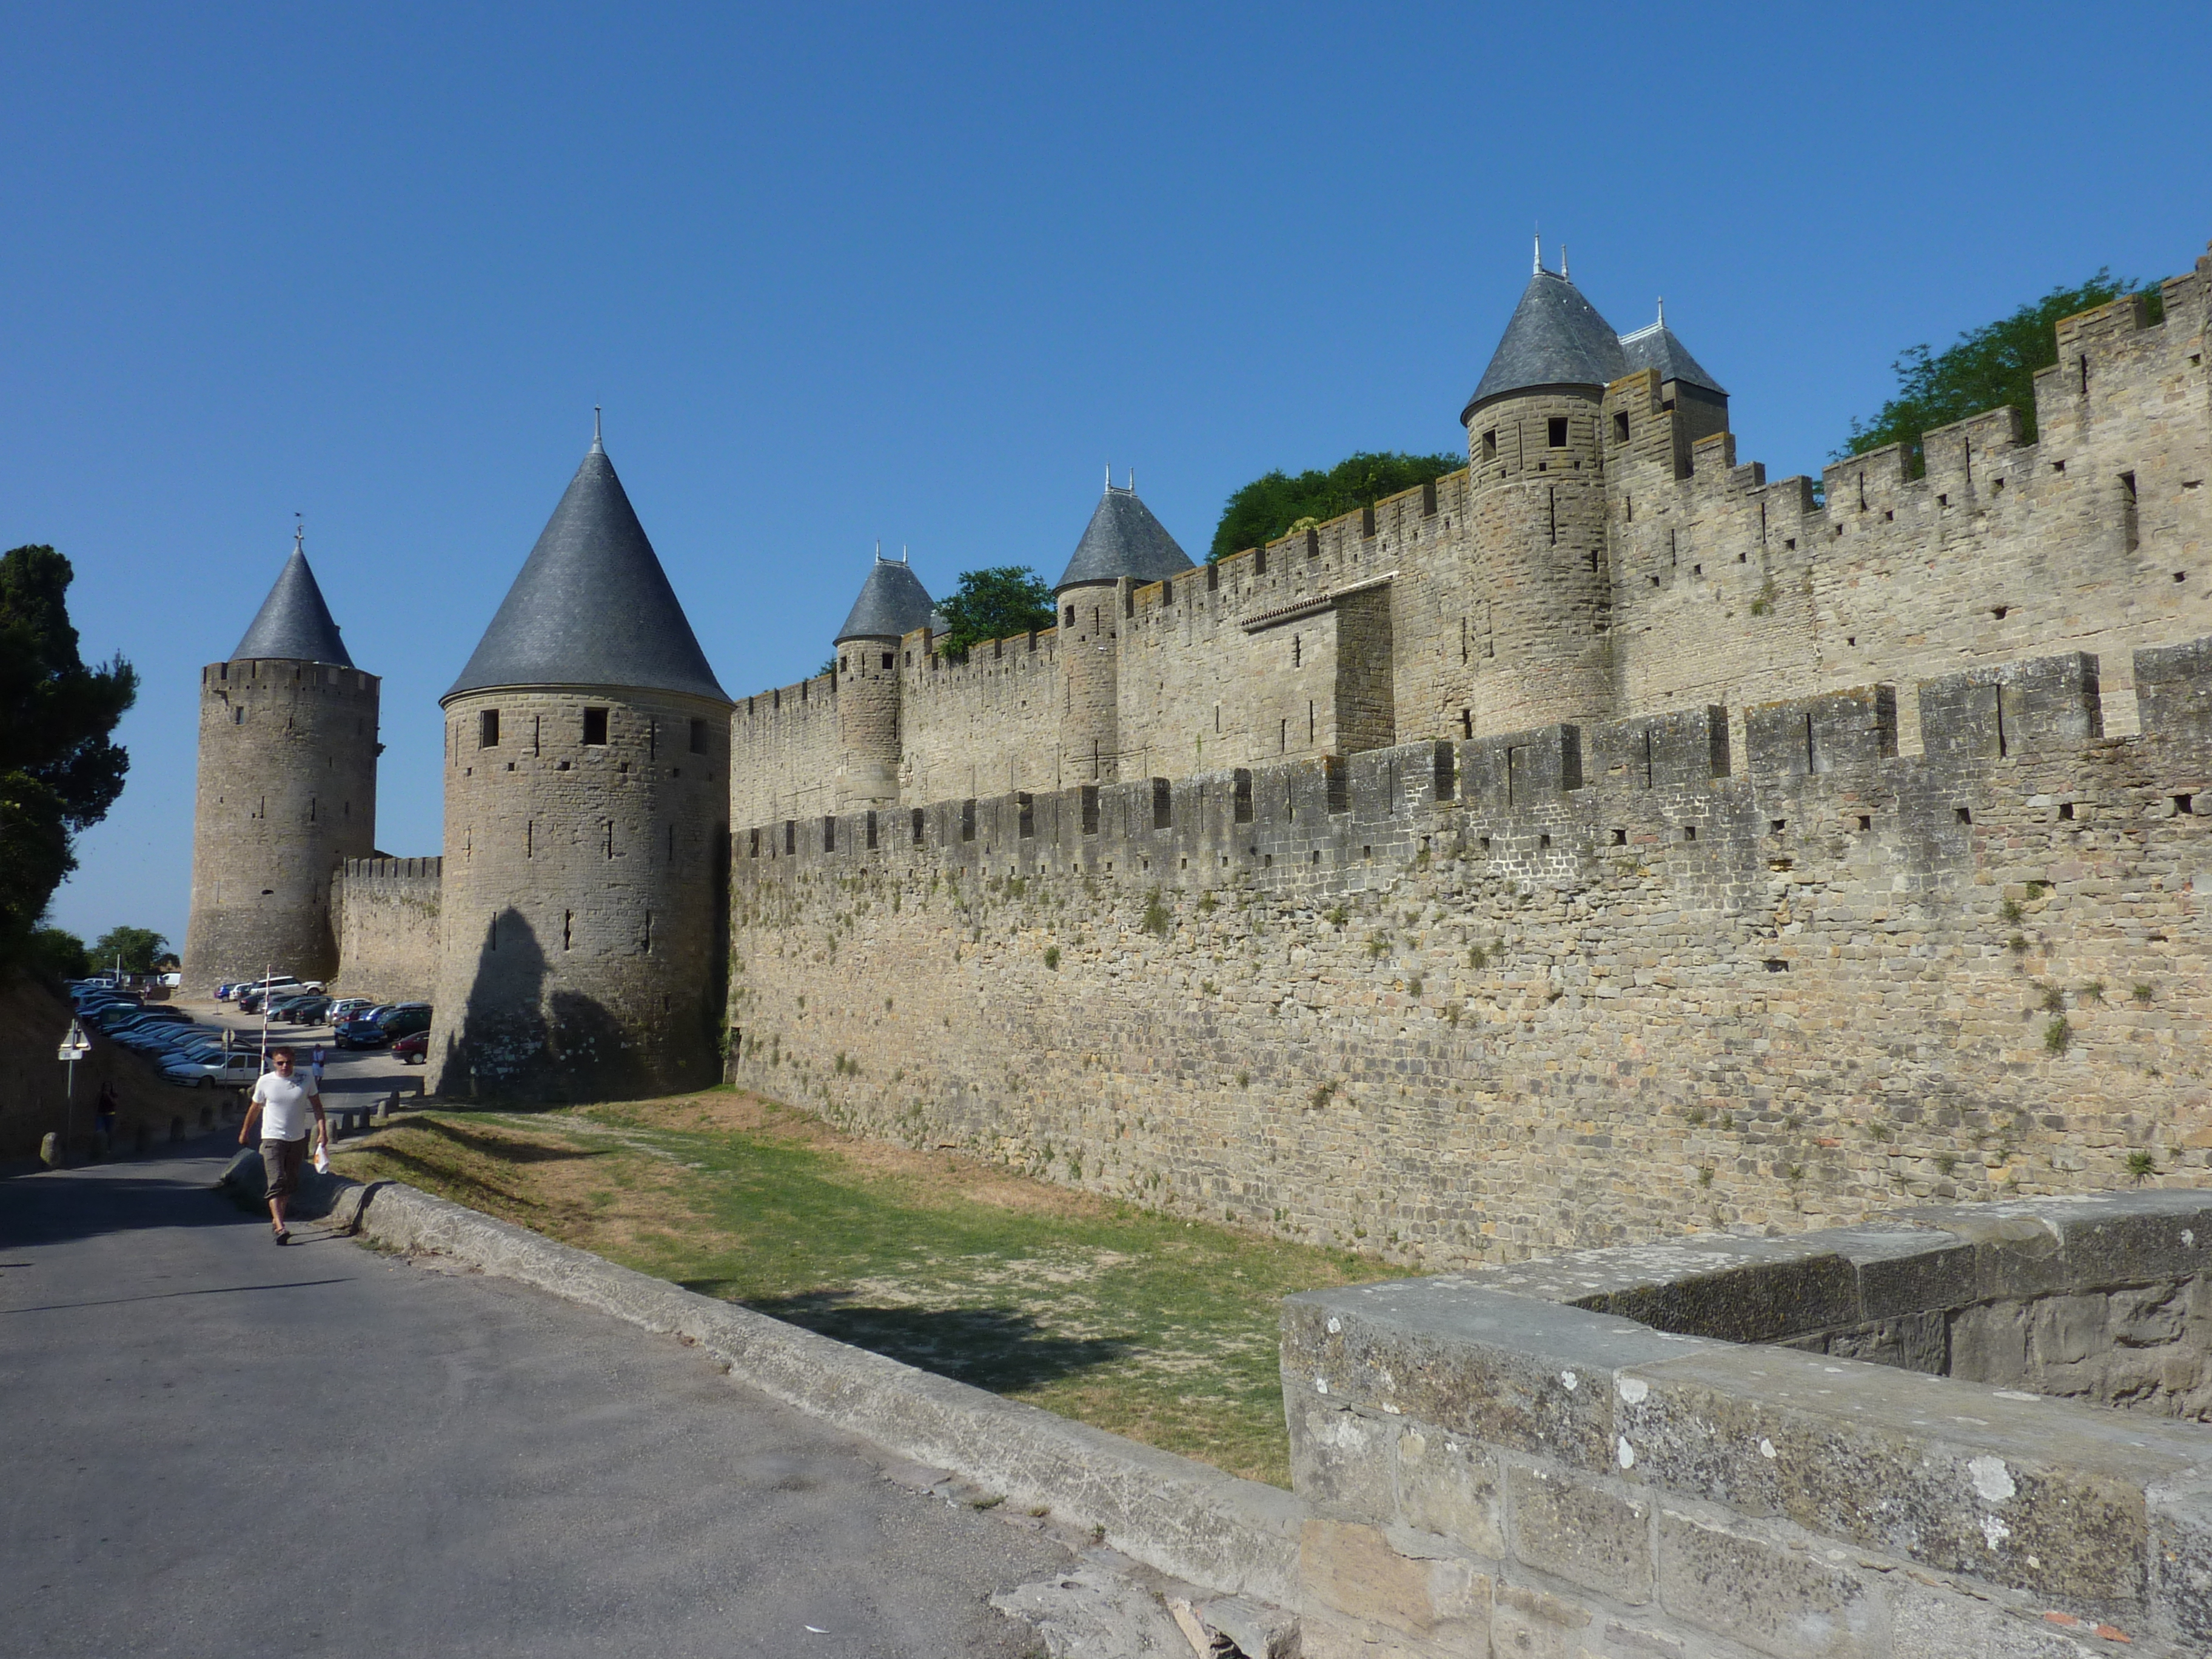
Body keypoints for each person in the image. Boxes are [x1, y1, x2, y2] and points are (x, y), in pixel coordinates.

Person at [238, 1048, 327, 1245]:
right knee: (277, 1180)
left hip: (297, 1139)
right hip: (272, 1138)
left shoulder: (306, 1078)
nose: (285, 1066)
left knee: (289, 1182)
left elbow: (317, 1107)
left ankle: (277, 1219)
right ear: (274, 1063)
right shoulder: (266, 1081)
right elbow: (254, 1109)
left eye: (288, 1062)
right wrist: (245, 1132)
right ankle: (280, 1226)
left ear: (294, 1062)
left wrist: (323, 1132)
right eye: (280, 1063)